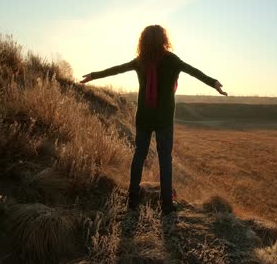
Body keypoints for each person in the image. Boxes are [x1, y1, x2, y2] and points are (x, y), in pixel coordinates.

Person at [80, 25, 227, 215]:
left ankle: (132, 201)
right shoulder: (171, 60)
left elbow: (117, 69)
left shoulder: (141, 61)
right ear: (164, 40)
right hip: (164, 119)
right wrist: (214, 83)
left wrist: (93, 75)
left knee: (138, 157)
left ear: (143, 41)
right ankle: (167, 205)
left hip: (144, 117)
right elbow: (193, 71)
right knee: (165, 159)